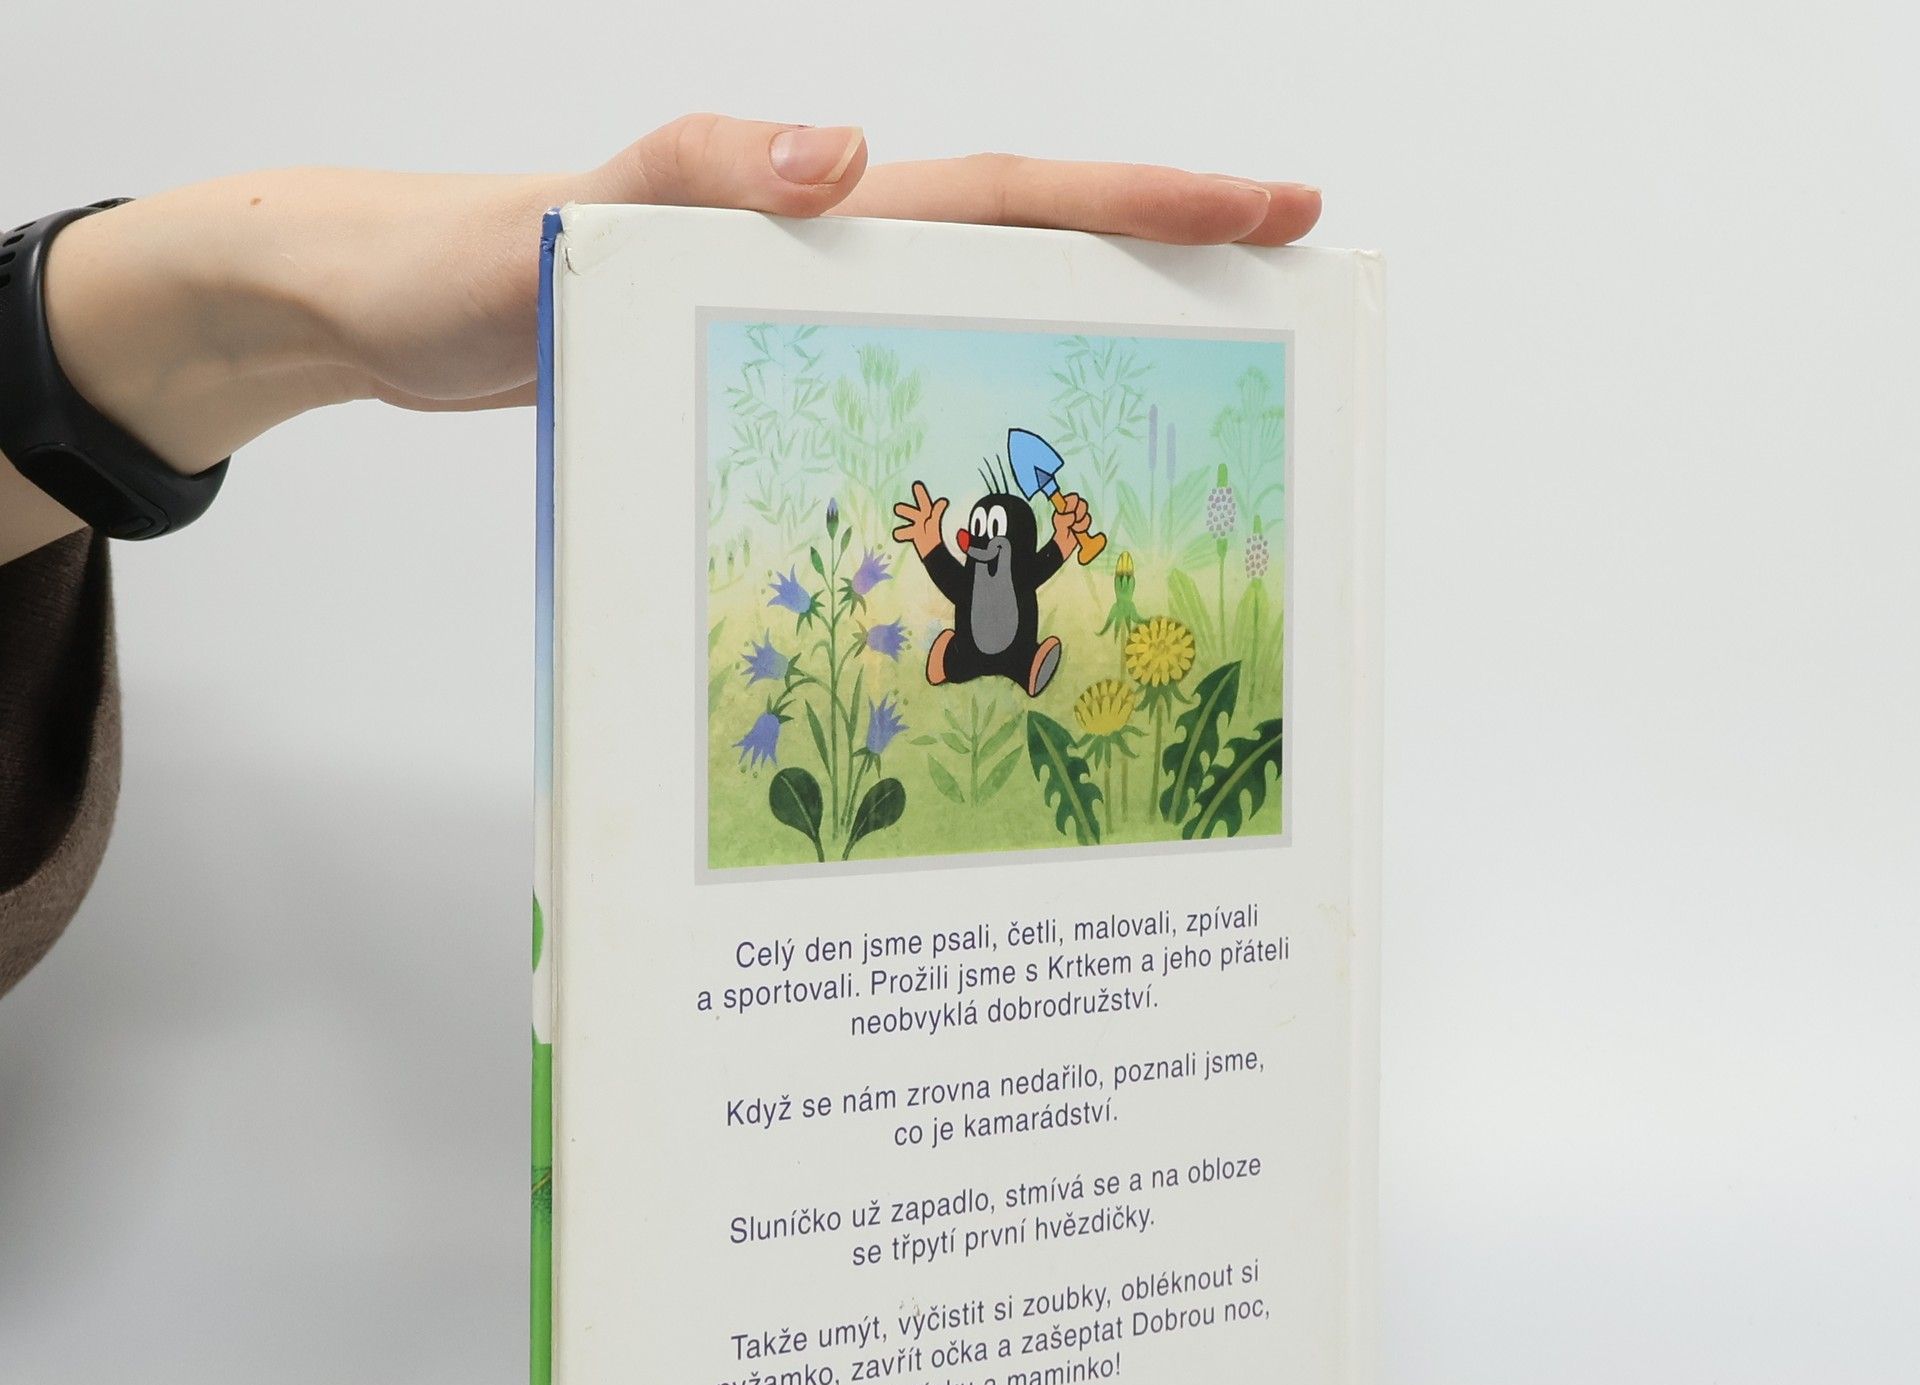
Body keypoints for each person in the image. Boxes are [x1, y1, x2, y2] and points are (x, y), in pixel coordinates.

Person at [0, 115, 1320, 994]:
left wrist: (231, 299)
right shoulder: (970, 553)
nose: (982, 538)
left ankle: (1003, 666)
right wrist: (244, 291)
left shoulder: (1016, 561)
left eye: (987, 531)